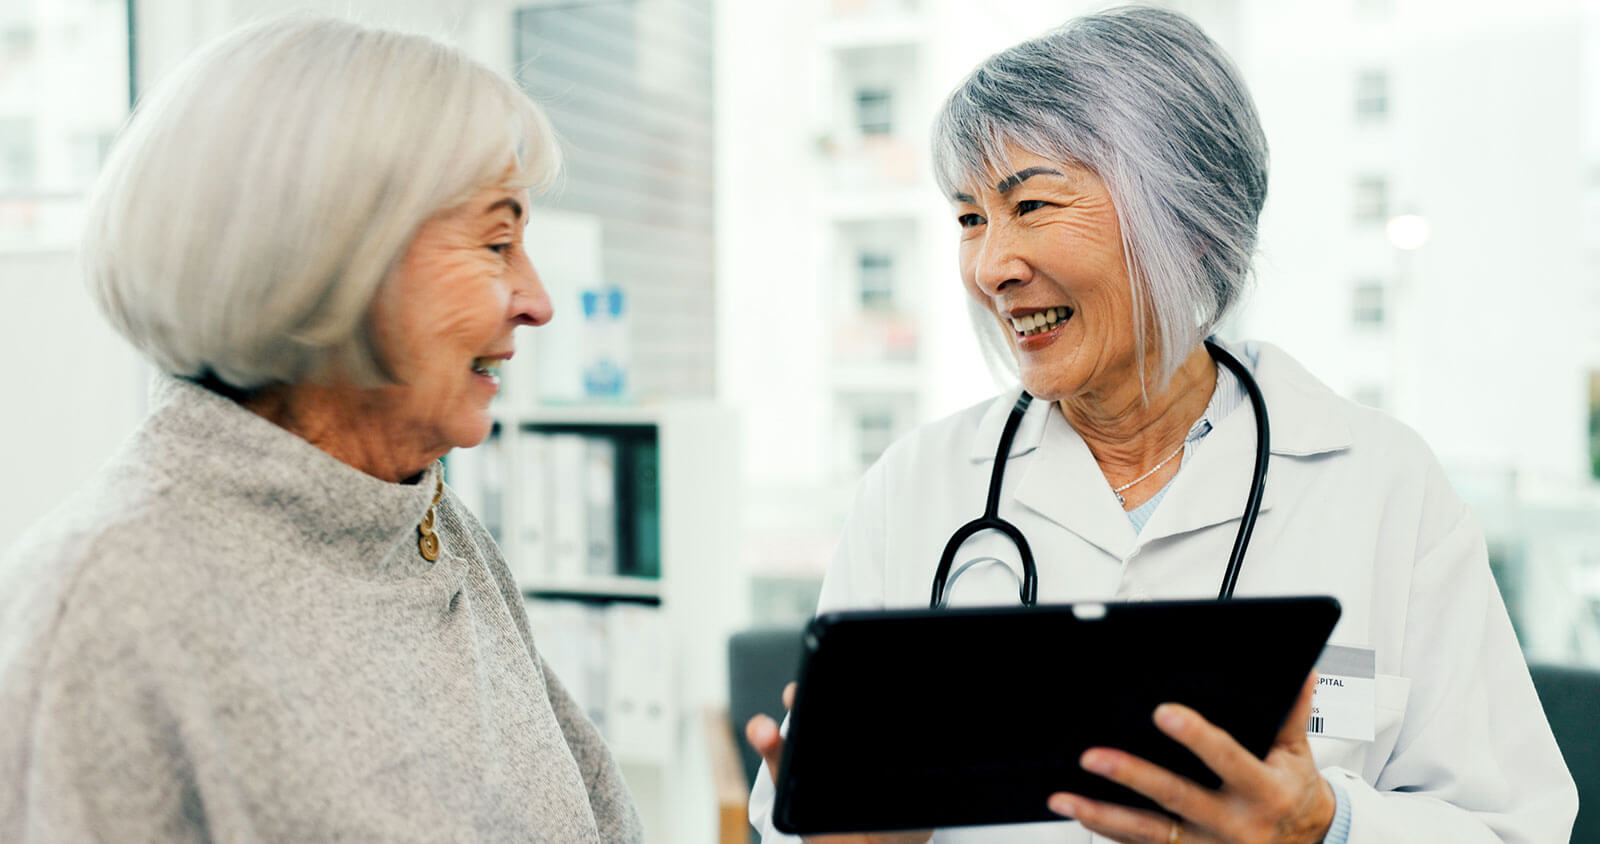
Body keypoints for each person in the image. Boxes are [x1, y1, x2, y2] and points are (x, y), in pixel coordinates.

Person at [747, 7, 1576, 843]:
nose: (991, 266)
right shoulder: (915, 489)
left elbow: (1517, 828)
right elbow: (793, 821)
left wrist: (1324, 826)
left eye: (1030, 204)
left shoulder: (1380, 484)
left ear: (1185, 215)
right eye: (969, 218)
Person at [0, 15, 642, 842]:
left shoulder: (425, 524)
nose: (538, 300)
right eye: (496, 241)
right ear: (336, 256)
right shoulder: (103, 609)